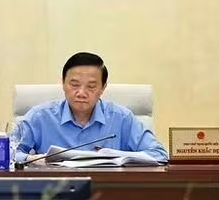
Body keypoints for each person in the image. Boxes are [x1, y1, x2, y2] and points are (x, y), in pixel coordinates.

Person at [15, 52, 168, 163]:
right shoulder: (40, 116)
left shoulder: (121, 118)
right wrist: (31, 158)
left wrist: (117, 156)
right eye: (74, 85)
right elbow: (3, 154)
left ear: (103, 88)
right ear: (62, 83)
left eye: (91, 86)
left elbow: (159, 155)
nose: (81, 93)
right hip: (54, 193)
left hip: (108, 192)